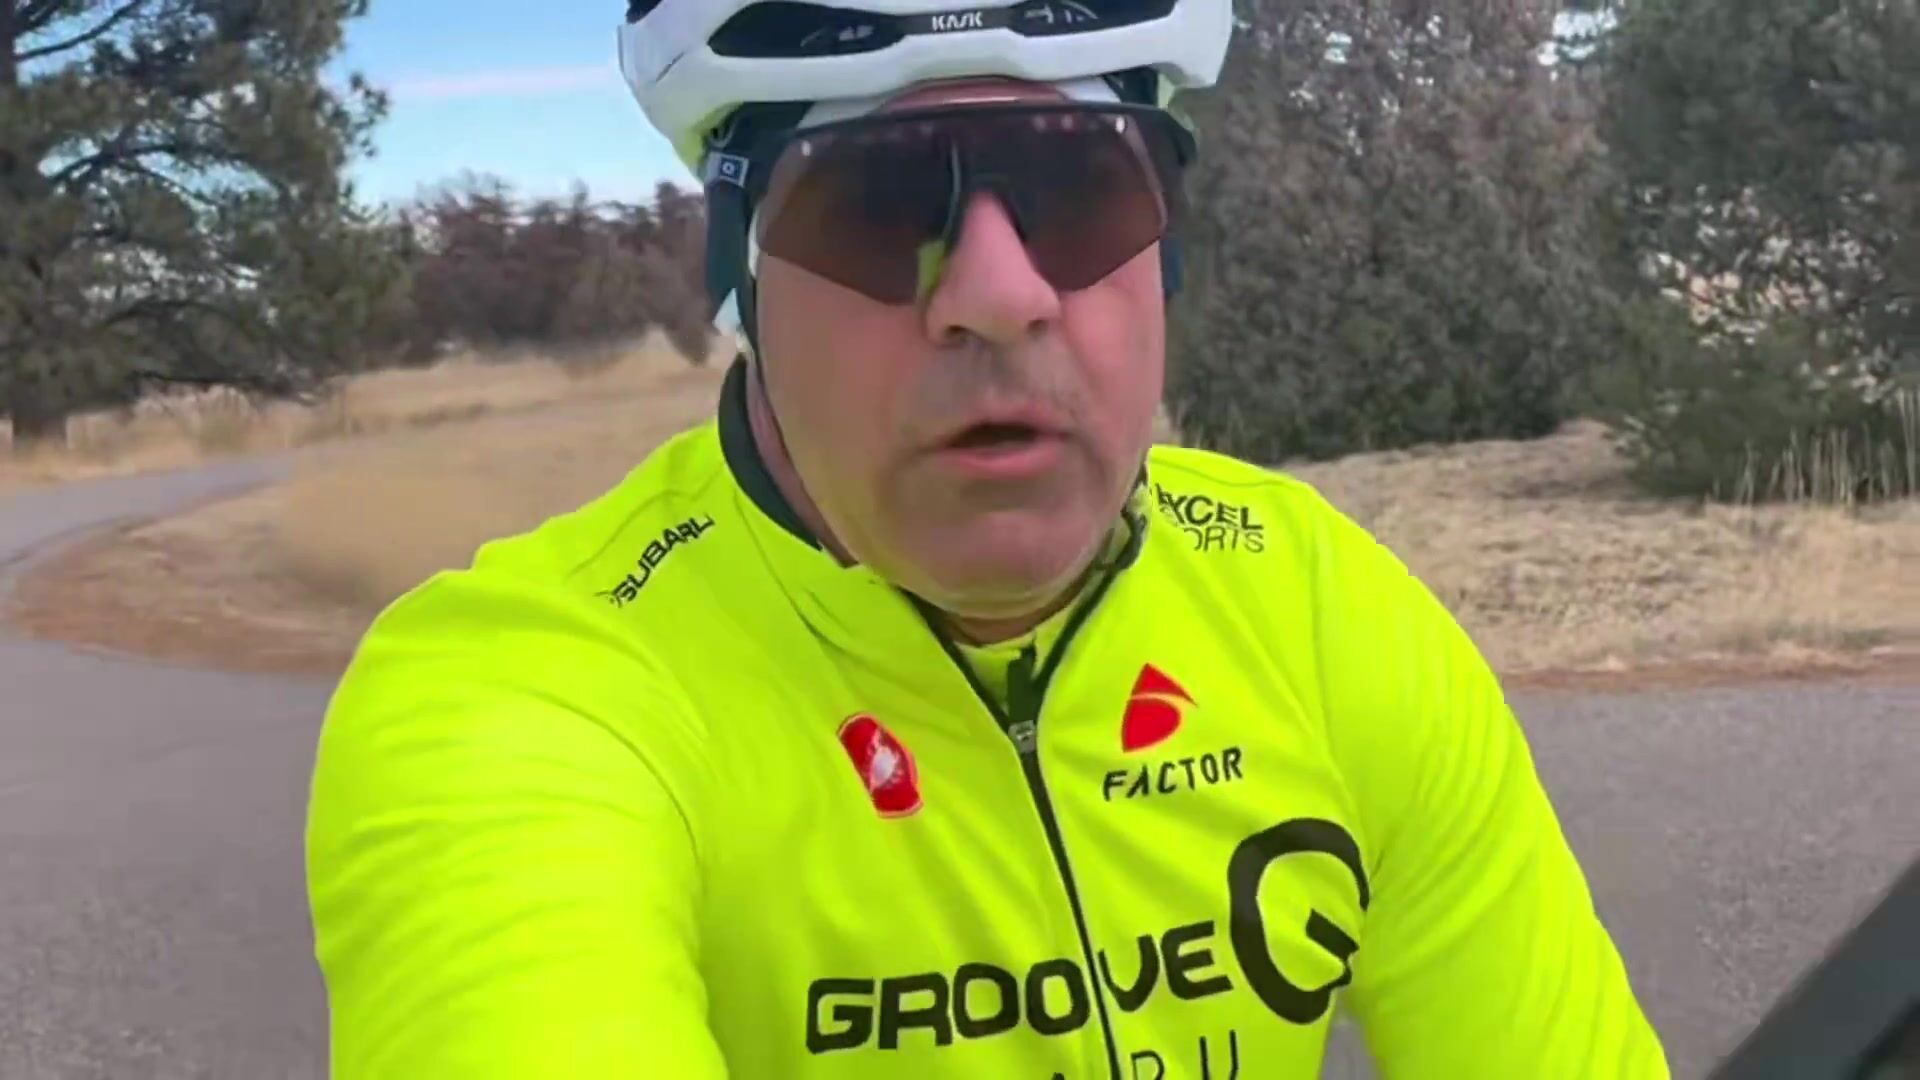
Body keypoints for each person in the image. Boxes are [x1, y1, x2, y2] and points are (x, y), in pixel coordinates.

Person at [304, 0, 1671, 1076]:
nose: (1001, 293)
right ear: (740, 274)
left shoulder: (1314, 604)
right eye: (875, 204)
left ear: (1164, 248)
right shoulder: (526, 699)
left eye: (1082, 194)